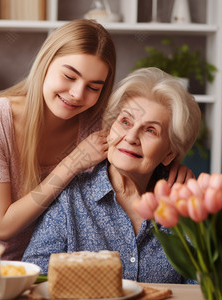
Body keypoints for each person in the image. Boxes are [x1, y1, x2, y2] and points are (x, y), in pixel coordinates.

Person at [0, 20, 192, 277]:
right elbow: (3, 225)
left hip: (17, 261)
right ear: (46, 63)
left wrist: (171, 167)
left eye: (93, 87)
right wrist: (73, 163)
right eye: (69, 76)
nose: (77, 94)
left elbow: (141, 133)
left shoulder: (94, 122)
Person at [22, 67, 201, 283]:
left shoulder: (185, 205)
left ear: (169, 153)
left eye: (150, 130)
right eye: (125, 122)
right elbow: (34, 277)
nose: (131, 137)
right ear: (110, 127)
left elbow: (202, 288)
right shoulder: (71, 197)